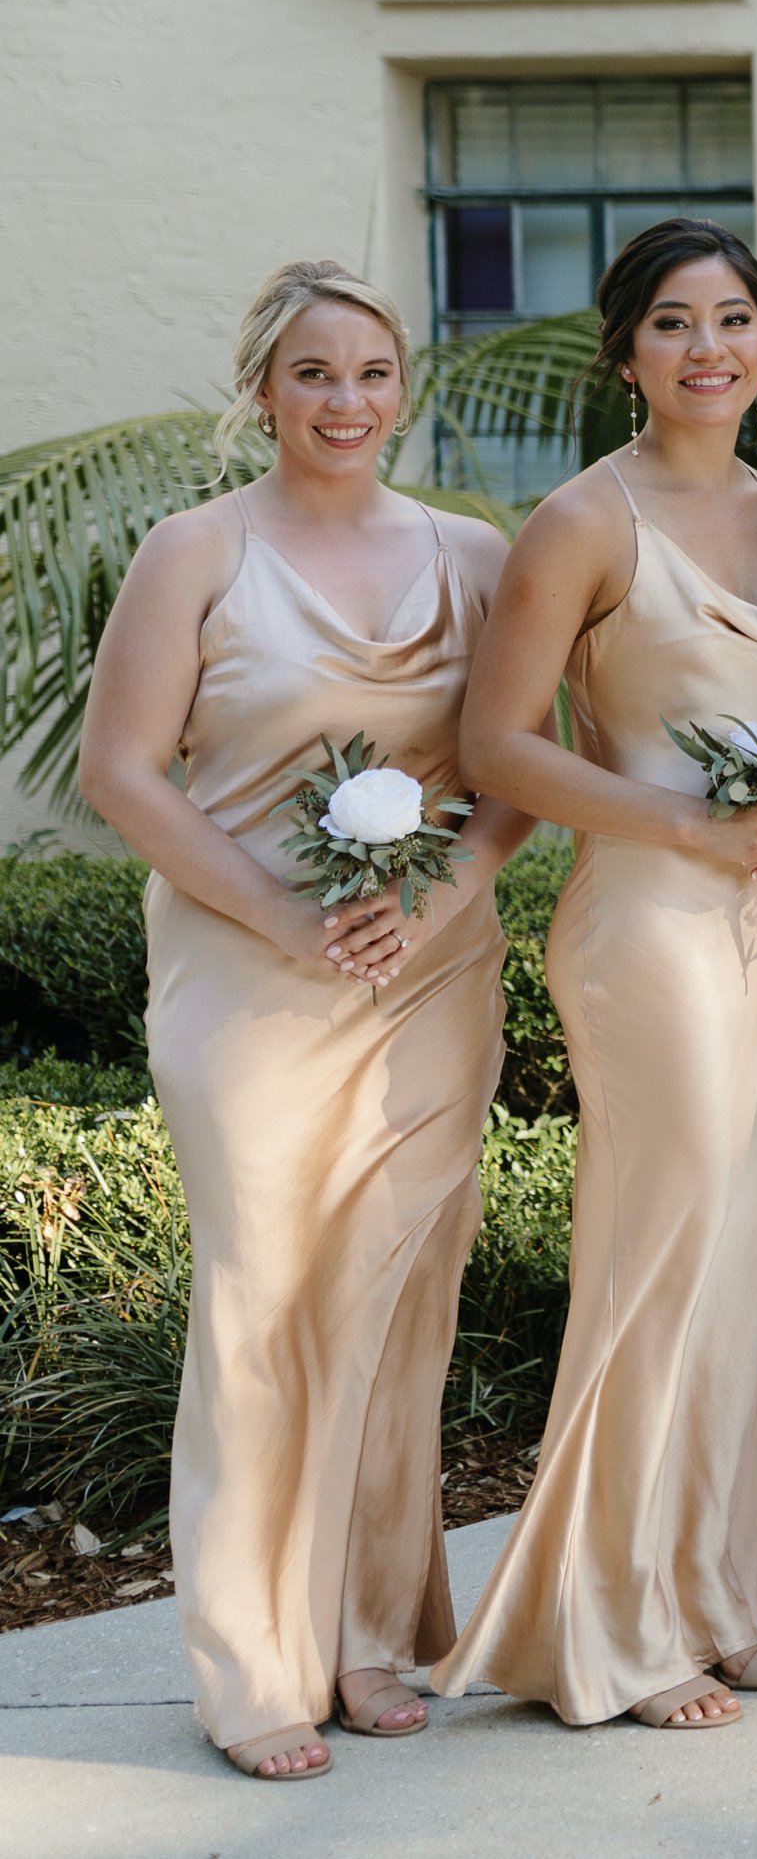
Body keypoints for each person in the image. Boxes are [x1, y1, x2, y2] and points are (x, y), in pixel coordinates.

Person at [78, 262, 529, 1781]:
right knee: (261, 1305)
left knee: (400, 1307)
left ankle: (373, 1631)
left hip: (426, 976)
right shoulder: (195, 550)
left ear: (408, 387)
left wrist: (447, 899)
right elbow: (124, 772)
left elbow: (518, 766)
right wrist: (280, 915)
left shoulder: (475, 555)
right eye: (315, 373)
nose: (348, 401)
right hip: (248, 981)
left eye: (374, 372)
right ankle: (251, 1663)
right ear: (264, 389)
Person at [431, 221, 757, 1731]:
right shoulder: (583, 524)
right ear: (625, 353)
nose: (708, 348)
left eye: (734, 319)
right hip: (652, 925)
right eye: (674, 323)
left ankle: (733, 1588)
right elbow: (499, 745)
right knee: (662, 1248)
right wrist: (691, 817)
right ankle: (613, 1616)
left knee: (756, 1262)